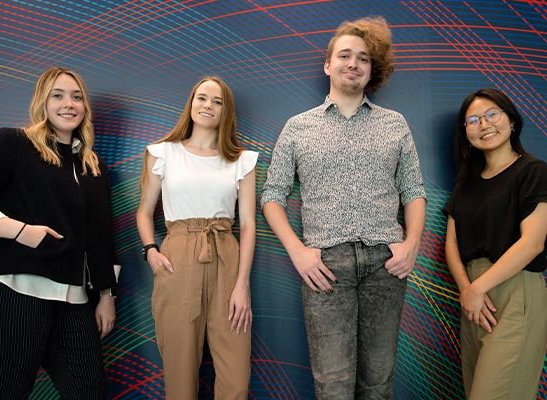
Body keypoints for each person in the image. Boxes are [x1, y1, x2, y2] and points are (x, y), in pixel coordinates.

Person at [262, 16, 426, 399]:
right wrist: (298, 253)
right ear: (328, 64)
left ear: (372, 70)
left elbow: (414, 190)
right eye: (345, 55)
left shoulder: (395, 124)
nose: (353, 64)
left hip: (386, 264)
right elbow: (272, 196)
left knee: (378, 381)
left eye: (363, 58)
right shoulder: (298, 127)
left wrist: (411, 244)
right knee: (332, 384)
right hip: (325, 266)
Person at [0, 67, 117, 399]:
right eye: (58, 95)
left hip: (73, 300)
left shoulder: (92, 165)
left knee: (90, 392)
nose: (68, 104)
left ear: (85, 107)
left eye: (77, 97)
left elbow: (101, 237)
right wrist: (18, 232)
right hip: (14, 292)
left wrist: (106, 296)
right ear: (43, 102)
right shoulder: (13, 142)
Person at [136, 76, 257, 400]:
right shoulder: (162, 153)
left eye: (217, 102)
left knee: (235, 380)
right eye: (202, 98)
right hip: (177, 257)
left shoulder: (242, 160)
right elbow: (144, 211)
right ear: (191, 103)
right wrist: (150, 250)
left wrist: (241, 285)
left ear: (226, 111)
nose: (208, 106)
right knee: (180, 374)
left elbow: (247, 225)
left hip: (225, 255)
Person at [444, 88, 547, 399]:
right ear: (466, 133)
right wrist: (468, 290)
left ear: (511, 120)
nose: (484, 124)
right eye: (473, 120)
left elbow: (533, 243)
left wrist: (478, 288)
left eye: (492, 114)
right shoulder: (466, 182)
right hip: (472, 298)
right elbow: (452, 244)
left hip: (515, 291)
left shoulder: (533, 172)